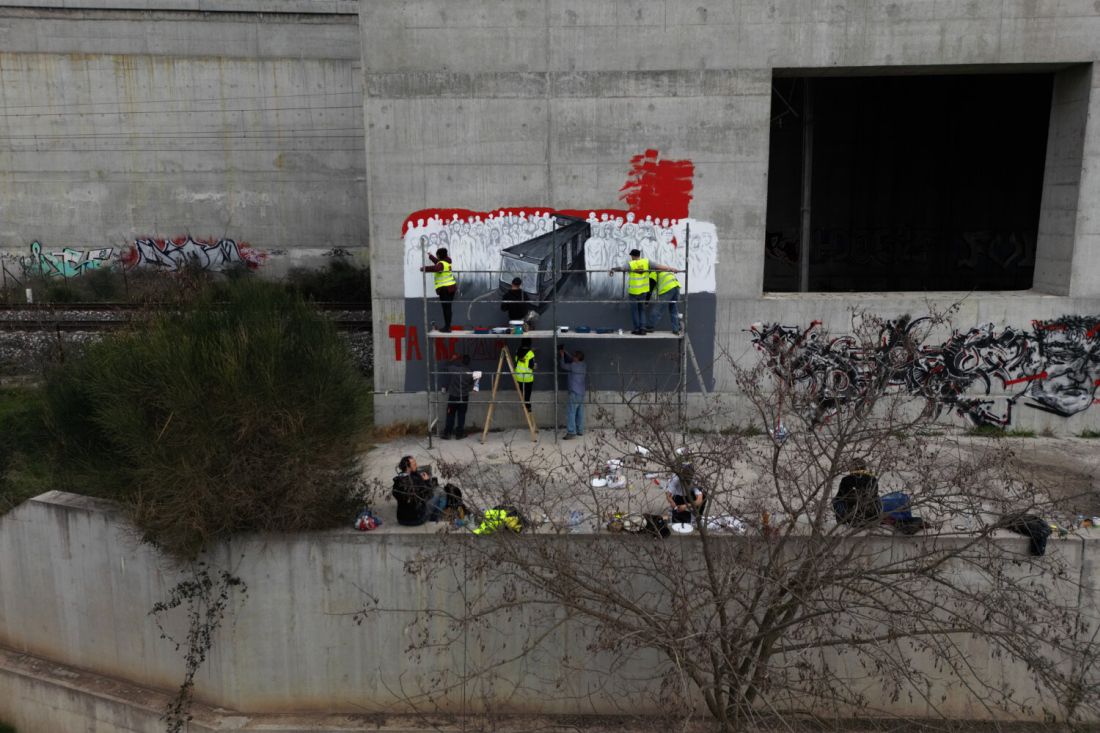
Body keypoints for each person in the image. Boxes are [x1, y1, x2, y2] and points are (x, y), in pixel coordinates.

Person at [608, 249, 678, 335]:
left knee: (635, 311)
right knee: (642, 310)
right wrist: (671, 269)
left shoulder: (631, 264)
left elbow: (622, 269)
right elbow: (659, 266)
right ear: (639, 255)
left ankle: (637, 329)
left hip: (634, 292)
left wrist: (613, 269)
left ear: (632, 256)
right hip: (644, 291)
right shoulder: (646, 262)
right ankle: (643, 329)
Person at [392, 456, 447, 526]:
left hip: (401, 519)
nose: (417, 466)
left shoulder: (397, 481)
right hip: (417, 519)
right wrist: (427, 481)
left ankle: (432, 516)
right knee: (441, 492)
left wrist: (415, 473)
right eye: (414, 465)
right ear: (408, 467)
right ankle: (433, 518)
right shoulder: (415, 481)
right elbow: (429, 496)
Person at [420, 247, 456, 332]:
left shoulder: (441, 264)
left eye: (437, 255)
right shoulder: (446, 262)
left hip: (445, 290)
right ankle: (448, 326)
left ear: (439, 255)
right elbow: (438, 263)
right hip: (451, 288)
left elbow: (437, 268)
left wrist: (424, 268)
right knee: (448, 308)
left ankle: (447, 327)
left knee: (446, 308)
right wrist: (431, 256)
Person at [833, 458, 880, 525]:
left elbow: (840, 496)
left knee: (837, 500)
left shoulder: (847, 480)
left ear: (855, 467)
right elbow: (875, 495)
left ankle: (842, 522)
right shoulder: (873, 479)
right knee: (877, 498)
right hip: (871, 518)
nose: (849, 467)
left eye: (851, 466)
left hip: (853, 519)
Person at [442, 354, 475, 440]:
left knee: (450, 414)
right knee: (461, 415)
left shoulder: (454, 369)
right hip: (463, 396)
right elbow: (471, 383)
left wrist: (452, 359)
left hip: (453, 396)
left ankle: (447, 433)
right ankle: (459, 434)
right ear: (468, 362)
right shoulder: (470, 372)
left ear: (461, 361)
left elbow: (445, 366)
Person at [559, 346, 586, 439]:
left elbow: (563, 365)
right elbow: (572, 359)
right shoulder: (583, 365)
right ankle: (580, 430)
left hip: (574, 392)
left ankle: (571, 432)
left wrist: (562, 356)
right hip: (581, 392)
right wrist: (565, 352)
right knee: (580, 412)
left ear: (577, 358)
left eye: (574, 356)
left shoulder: (573, 366)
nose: (573, 357)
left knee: (571, 412)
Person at [648, 267, 682, 335]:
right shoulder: (663, 271)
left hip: (668, 289)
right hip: (676, 288)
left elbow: (651, 288)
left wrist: (646, 300)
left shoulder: (653, 273)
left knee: (658, 309)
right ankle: (676, 328)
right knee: (673, 309)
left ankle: (649, 326)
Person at [515, 338, 536, 414]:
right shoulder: (530, 353)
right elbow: (531, 366)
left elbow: (516, 361)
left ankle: (525, 405)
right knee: (527, 394)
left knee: (522, 392)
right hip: (527, 378)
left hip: (518, 376)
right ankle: (528, 407)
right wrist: (535, 366)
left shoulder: (517, 351)